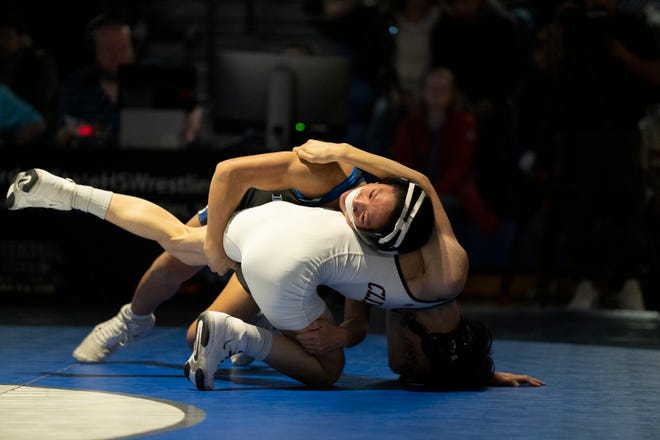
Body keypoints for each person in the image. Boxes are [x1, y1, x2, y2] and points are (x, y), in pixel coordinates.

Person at [5, 140, 544, 390]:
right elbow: (229, 174)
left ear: (388, 234)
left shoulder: (402, 251)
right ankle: (134, 319)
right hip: (257, 213)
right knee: (171, 265)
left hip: (289, 250)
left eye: (369, 214)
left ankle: (69, 193)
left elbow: (361, 314)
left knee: (194, 310)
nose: (358, 204)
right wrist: (215, 246)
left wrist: (480, 373)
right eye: (366, 192)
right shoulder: (328, 172)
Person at [556, 0, 660, 310]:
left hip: (624, 130)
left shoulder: (635, 25)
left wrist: (623, 55)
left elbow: (655, 74)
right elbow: (556, 72)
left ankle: (629, 283)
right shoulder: (571, 21)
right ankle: (586, 282)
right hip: (580, 132)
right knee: (581, 207)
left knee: (629, 207)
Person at [392, 67, 499, 236]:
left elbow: (460, 168)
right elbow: (403, 163)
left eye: (442, 89)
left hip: (451, 189)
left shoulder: (464, 124)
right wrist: (420, 190)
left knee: (442, 206)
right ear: (423, 92)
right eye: (432, 89)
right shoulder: (409, 125)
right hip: (416, 187)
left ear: (452, 93)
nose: (437, 94)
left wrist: (433, 193)